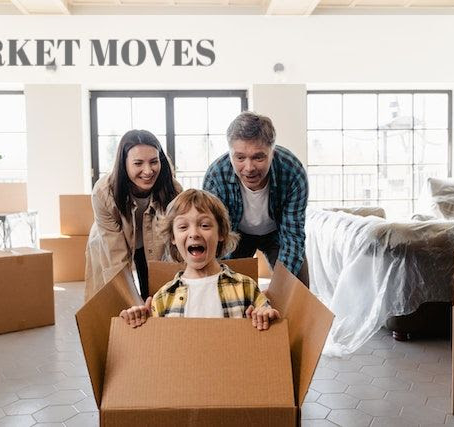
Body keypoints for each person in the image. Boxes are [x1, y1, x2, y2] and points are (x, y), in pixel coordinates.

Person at [120, 189, 280, 330]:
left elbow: (268, 317)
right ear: (173, 238)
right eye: (183, 227)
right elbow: (156, 347)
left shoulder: (246, 287)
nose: (194, 233)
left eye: (204, 225)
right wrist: (140, 320)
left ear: (221, 234)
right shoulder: (163, 298)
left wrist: (265, 314)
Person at [202, 111, 310, 286]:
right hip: (236, 235)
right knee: (229, 292)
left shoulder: (292, 171)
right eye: (240, 158)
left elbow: (293, 235)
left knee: (297, 289)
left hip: (278, 234)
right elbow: (216, 234)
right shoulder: (216, 176)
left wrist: (280, 288)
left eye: (258, 157)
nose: (249, 168)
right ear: (230, 153)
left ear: (272, 152)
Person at [84, 129, 181, 301]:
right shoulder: (103, 193)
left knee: (155, 295)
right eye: (138, 163)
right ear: (124, 163)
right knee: (116, 299)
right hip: (111, 243)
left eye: (154, 162)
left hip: (153, 243)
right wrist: (133, 303)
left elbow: (177, 243)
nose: (148, 171)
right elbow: (116, 260)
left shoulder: (172, 190)